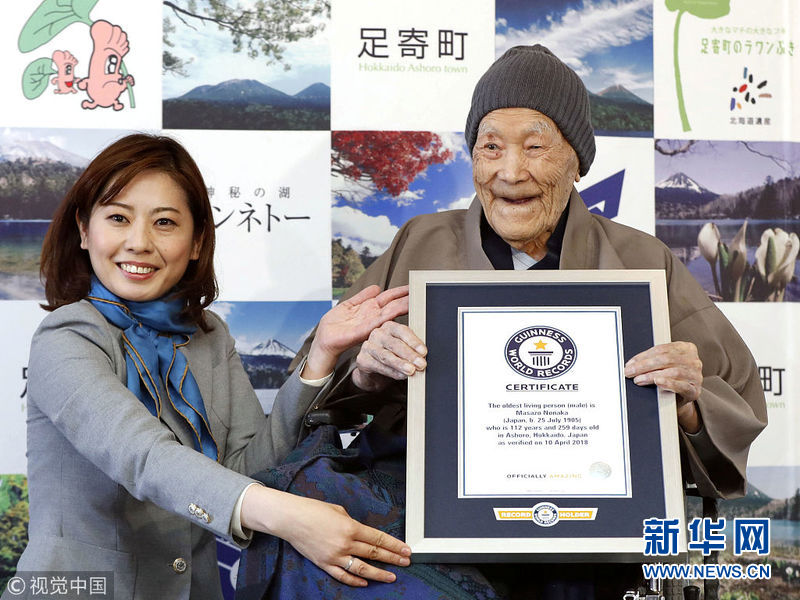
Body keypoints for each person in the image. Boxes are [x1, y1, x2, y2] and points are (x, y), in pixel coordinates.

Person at [238, 45, 767, 599]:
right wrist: (367, 371)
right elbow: (323, 373)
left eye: (535, 146)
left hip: (590, 531)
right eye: (490, 146)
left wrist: (684, 403)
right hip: (425, 522)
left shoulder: (641, 260)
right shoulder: (419, 241)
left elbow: (735, 399)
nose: (511, 172)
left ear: (577, 162)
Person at [5, 134, 413, 600]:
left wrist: (321, 352)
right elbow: (142, 456)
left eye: (164, 222)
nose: (138, 242)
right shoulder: (66, 335)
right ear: (83, 230)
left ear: (197, 241)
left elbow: (250, 467)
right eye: (118, 218)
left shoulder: (209, 335)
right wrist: (291, 517)